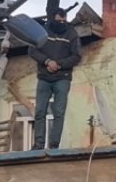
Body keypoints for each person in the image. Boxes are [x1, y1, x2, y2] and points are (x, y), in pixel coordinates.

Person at [27, 9, 82, 149]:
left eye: (64, 21)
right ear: (52, 19)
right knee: (40, 111)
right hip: (44, 77)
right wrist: (47, 61)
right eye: (59, 21)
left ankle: (54, 145)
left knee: (58, 112)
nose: (62, 23)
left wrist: (58, 64)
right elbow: (32, 51)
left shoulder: (72, 34)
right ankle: (38, 144)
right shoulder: (42, 32)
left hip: (62, 78)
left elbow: (76, 56)